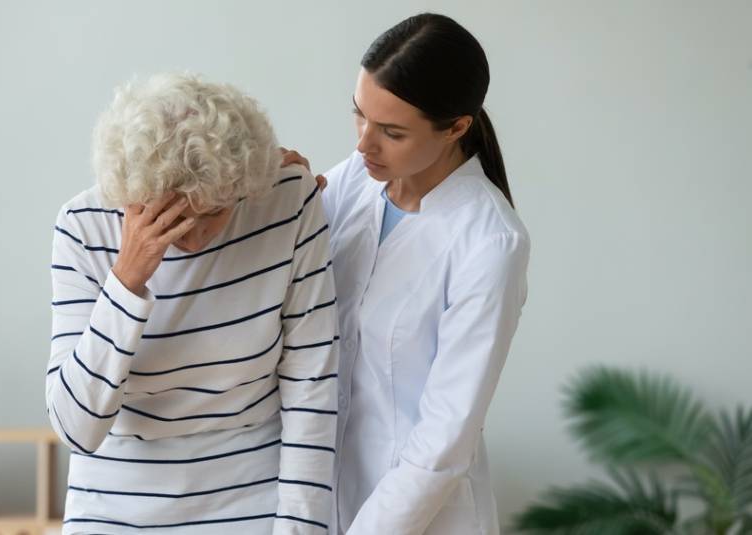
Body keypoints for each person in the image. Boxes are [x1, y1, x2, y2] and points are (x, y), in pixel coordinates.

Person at [46, 73, 339, 534]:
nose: (200, 234)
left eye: (216, 210)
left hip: (250, 502)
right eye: (177, 215)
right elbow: (75, 427)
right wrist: (127, 279)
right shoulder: (83, 227)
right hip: (114, 507)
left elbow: (313, 386)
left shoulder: (284, 201)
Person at [283, 13, 530, 535]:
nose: (363, 145)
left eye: (392, 132)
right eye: (360, 116)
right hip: (323, 502)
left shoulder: (490, 242)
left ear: (457, 126)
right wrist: (277, 193)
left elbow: (444, 441)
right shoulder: (359, 179)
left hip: (416, 519)